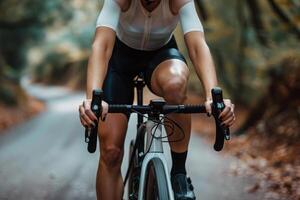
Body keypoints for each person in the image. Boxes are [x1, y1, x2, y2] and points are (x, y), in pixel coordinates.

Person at [79, 0, 235, 199]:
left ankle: (179, 173)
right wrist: (93, 98)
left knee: (176, 84)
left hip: (161, 56)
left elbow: (197, 45)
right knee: (110, 152)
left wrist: (213, 96)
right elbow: (101, 45)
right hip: (119, 62)